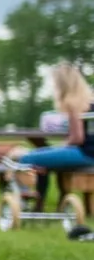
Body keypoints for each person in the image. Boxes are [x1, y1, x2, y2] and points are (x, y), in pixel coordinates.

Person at [18, 63, 94, 207]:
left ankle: (24, 197)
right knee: (43, 160)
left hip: (84, 154)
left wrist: (62, 146)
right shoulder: (89, 101)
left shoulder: (73, 102)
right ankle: (38, 202)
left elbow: (77, 138)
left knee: (27, 157)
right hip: (91, 153)